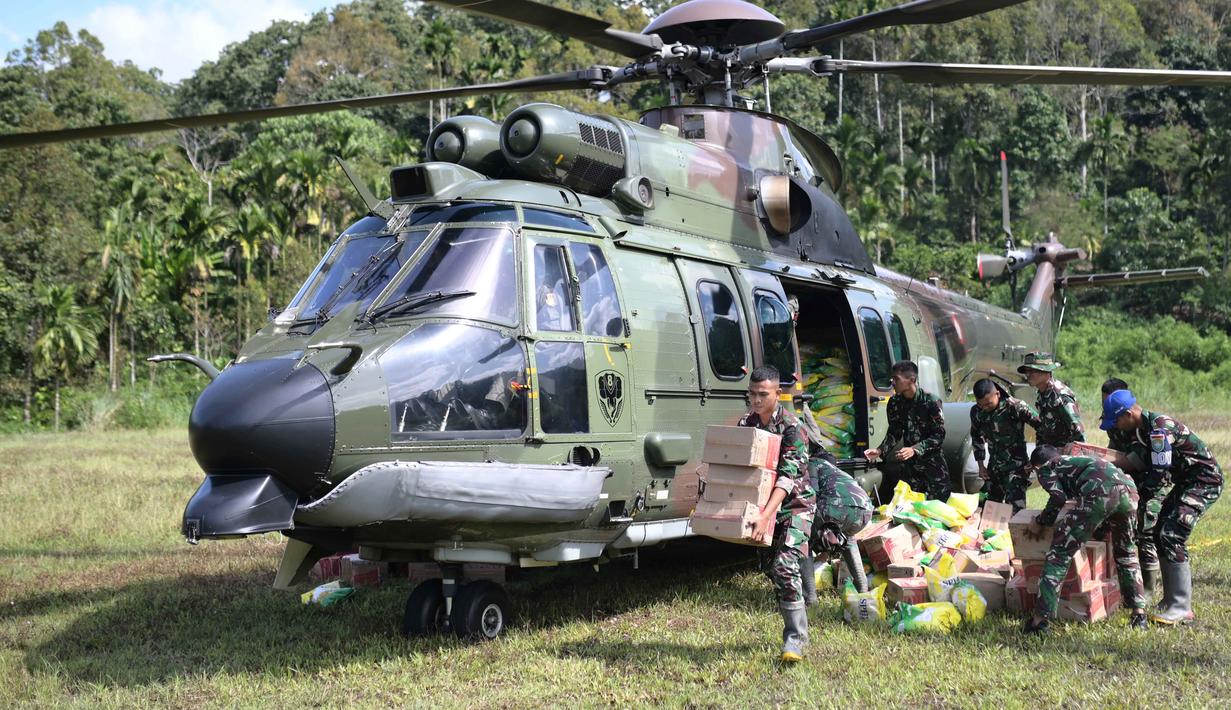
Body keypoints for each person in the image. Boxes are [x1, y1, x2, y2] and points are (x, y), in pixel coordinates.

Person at [1103, 390, 1223, 625]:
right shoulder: (1142, 430)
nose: (1116, 426)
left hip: (1204, 482)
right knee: (1159, 533)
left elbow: (1159, 473)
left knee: (1172, 534)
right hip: (1186, 482)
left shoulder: (1159, 429)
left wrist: (1139, 496)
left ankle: (1181, 606)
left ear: (1128, 414)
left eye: (1116, 420)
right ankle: (1170, 600)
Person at [1022, 445, 1148, 634]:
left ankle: (1039, 622)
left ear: (1036, 466)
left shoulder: (1047, 467)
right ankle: (1139, 615)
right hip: (1129, 492)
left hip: (1100, 491)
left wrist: (1041, 521)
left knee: (1059, 555)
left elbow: (1058, 497)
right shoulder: (1077, 460)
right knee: (1126, 553)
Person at [741, 366, 818, 663]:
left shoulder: (792, 428)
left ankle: (795, 640)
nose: (756, 400)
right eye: (752, 394)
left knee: (785, 566)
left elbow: (787, 478)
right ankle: (797, 618)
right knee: (772, 570)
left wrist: (765, 516)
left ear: (778, 393)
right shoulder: (747, 423)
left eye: (763, 394)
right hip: (764, 507)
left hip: (796, 506)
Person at [1101, 378, 1165, 593]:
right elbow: (1114, 449)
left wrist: (1108, 465)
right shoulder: (1114, 418)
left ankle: (1148, 588)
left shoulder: (1146, 426)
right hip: (1129, 478)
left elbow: (1139, 460)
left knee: (1146, 530)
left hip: (1151, 480)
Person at [864, 360, 950, 501]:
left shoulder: (931, 401)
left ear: (912, 380)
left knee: (938, 506)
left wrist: (914, 449)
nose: (892, 382)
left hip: (933, 465)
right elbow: (894, 432)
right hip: (911, 468)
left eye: (896, 379)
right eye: (892, 378)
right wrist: (879, 450)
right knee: (909, 505)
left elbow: (939, 436)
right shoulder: (894, 403)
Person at [801, 454, 873, 604]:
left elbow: (812, 492)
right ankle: (863, 590)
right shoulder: (838, 472)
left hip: (836, 506)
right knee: (849, 540)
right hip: (865, 511)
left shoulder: (812, 463)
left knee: (803, 538)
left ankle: (810, 598)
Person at [969, 378, 1040, 512]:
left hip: (1016, 469)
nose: (985, 408)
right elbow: (976, 437)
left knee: (1015, 512)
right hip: (994, 469)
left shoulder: (1015, 406)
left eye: (988, 404)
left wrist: (1036, 458)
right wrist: (981, 465)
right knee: (984, 509)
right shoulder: (977, 411)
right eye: (981, 404)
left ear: (997, 394)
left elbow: (1041, 427)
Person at [1017, 351, 1085, 447]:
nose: (1028, 374)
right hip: (1051, 450)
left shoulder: (1059, 395)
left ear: (1045, 372)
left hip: (1064, 452)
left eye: (1032, 371)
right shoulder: (1043, 394)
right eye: (1027, 371)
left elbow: (1078, 431)